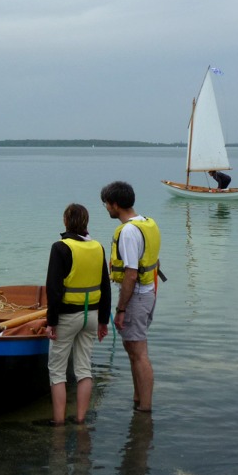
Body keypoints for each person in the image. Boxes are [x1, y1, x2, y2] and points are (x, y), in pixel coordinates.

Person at [44, 203, 110, 426]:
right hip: (91, 315)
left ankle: (59, 421)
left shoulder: (60, 247)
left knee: (57, 371)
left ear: (66, 221)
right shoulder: (98, 247)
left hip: (67, 317)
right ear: (86, 222)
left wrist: (51, 321)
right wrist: (103, 321)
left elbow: (53, 289)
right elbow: (105, 287)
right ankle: (81, 419)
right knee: (84, 368)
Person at [101, 181, 162, 413]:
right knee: (133, 349)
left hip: (136, 296)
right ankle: (138, 400)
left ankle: (144, 409)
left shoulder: (128, 232)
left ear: (115, 204)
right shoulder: (147, 223)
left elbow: (131, 274)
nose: (106, 208)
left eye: (106, 204)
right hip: (148, 292)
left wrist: (121, 309)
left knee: (138, 352)